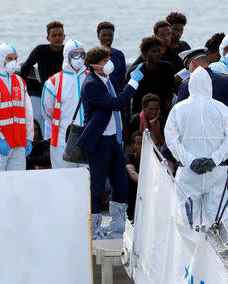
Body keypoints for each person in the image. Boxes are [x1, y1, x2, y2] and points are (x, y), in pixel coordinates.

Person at [77, 46, 145, 240]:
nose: (109, 64)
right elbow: (116, 104)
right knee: (97, 188)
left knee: (121, 185)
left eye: (109, 60)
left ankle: (117, 228)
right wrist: (132, 84)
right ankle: (93, 230)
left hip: (114, 141)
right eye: (105, 61)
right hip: (99, 142)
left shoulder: (105, 80)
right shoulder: (91, 83)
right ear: (94, 65)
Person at [165, 67, 228, 226]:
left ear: (190, 85)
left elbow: (171, 139)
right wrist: (214, 160)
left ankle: (189, 250)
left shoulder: (178, 109)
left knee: (186, 218)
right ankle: (217, 250)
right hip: (216, 172)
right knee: (218, 219)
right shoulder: (223, 109)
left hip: (188, 173)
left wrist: (190, 160)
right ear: (209, 85)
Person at [0, 42, 34, 172]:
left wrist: (29, 138)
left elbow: (28, 112)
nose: (13, 62)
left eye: (15, 59)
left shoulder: (20, 82)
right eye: (10, 58)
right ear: (1, 59)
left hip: (18, 143)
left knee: (17, 184)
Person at [41, 39, 88, 168]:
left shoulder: (91, 78)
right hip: (63, 140)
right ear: (67, 56)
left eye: (82, 54)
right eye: (75, 55)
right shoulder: (53, 82)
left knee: (87, 180)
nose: (79, 58)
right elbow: (46, 111)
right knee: (64, 180)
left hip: (88, 139)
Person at [176, 47, 228, 126]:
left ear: (193, 63)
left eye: (188, 67)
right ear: (208, 61)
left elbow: (179, 117)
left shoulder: (186, 86)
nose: (189, 70)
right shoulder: (227, 81)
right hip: (224, 135)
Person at [20, 21, 66, 128]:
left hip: (65, 94)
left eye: (60, 35)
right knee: (45, 123)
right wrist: (22, 88)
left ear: (64, 36)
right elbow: (25, 67)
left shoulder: (67, 51)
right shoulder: (40, 50)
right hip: (46, 93)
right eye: (54, 35)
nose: (57, 38)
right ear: (48, 38)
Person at [128, 36, 175, 117]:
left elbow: (168, 97)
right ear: (145, 53)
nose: (157, 54)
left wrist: (168, 118)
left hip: (161, 114)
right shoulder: (135, 72)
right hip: (139, 115)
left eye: (159, 51)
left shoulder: (168, 68)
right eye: (153, 51)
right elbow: (128, 99)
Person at [97, 22, 127, 95]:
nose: (107, 38)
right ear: (98, 36)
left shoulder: (119, 55)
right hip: (99, 99)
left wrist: (124, 101)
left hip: (117, 99)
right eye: (104, 35)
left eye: (110, 35)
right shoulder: (92, 56)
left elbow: (122, 80)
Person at [125, 130, 143, 221]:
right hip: (130, 198)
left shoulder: (152, 160)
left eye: (144, 144)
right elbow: (132, 173)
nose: (142, 147)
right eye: (139, 143)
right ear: (133, 146)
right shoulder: (129, 157)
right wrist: (147, 184)